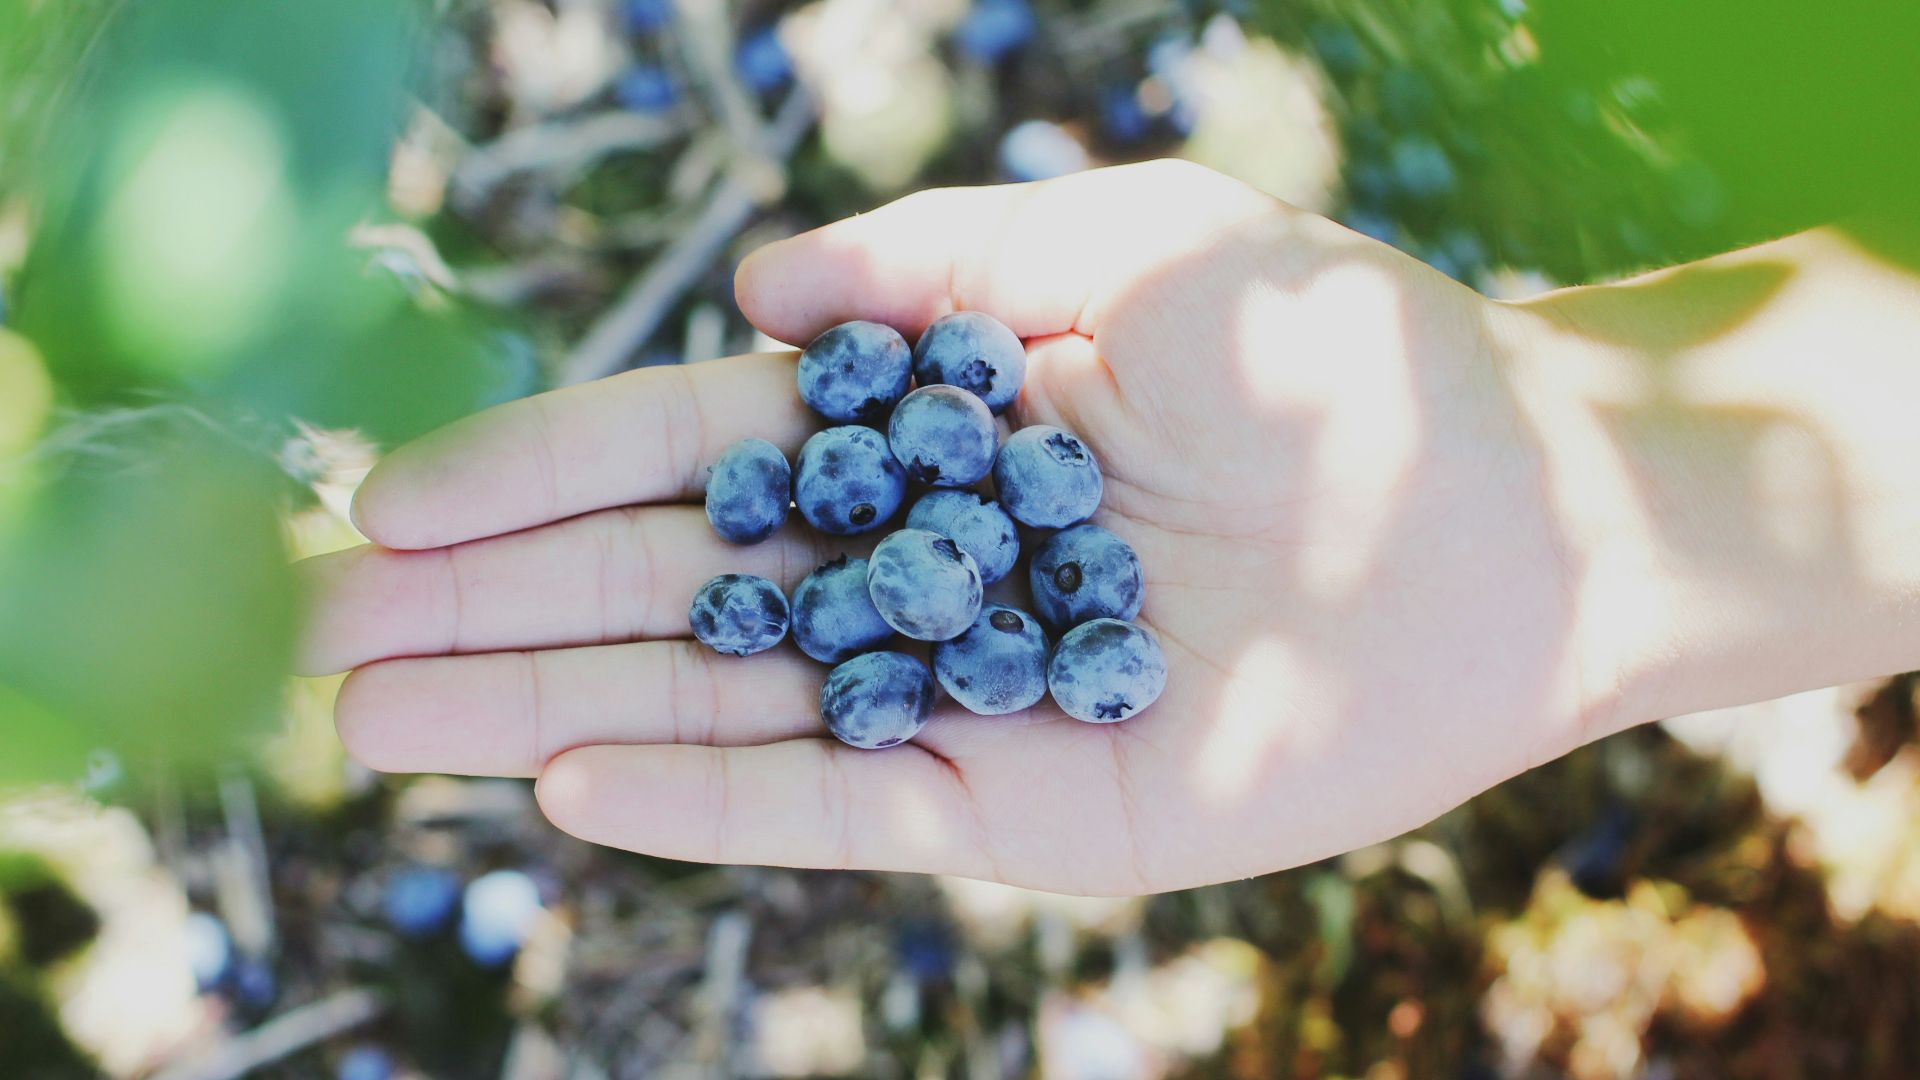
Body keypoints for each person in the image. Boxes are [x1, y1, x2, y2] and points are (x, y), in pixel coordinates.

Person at [297, 159, 1920, 897]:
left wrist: (1532, 471)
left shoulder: (990, 549)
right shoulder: (939, 540)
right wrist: (1556, 460)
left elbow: (955, 571)